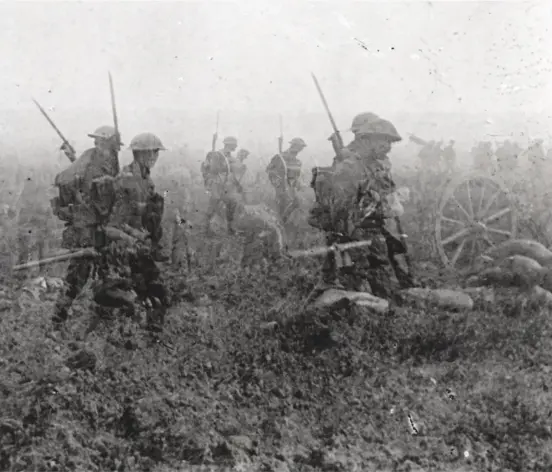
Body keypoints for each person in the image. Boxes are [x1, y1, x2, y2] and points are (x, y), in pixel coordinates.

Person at [309, 114, 407, 299]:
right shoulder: (350, 163)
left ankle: (381, 304)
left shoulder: (375, 163)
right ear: (368, 139)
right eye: (384, 141)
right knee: (351, 275)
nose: (388, 147)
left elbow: (384, 190)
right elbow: (341, 206)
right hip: (353, 230)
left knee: (379, 269)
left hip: (371, 227)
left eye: (390, 143)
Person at [91, 132, 170, 333]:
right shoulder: (127, 181)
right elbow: (112, 226)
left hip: (137, 245)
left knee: (158, 291)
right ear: (141, 154)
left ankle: (150, 334)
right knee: (125, 293)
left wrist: (145, 237)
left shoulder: (146, 180)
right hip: (120, 249)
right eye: (152, 153)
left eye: (156, 153)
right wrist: (134, 239)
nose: (155, 158)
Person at [51, 125, 121, 330]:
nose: (102, 147)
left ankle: (104, 319)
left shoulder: (112, 161)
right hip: (87, 228)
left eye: (107, 144)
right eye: (100, 143)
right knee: (77, 276)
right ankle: (57, 320)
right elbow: (63, 179)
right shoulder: (89, 157)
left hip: (104, 227)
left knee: (108, 272)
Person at [201, 136, 244, 234]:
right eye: (234, 145)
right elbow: (212, 170)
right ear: (229, 145)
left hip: (226, 186)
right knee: (213, 205)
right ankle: (205, 228)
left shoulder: (231, 157)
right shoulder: (217, 155)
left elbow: (232, 173)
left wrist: (238, 185)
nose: (236, 147)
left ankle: (230, 228)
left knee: (232, 203)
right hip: (216, 184)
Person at [266, 137, 306, 223]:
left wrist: (299, 183)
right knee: (281, 206)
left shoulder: (298, 161)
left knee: (296, 203)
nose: (301, 149)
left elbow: (296, 176)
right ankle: (278, 224)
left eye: (302, 147)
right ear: (294, 146)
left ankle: (284, 222)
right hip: (280, 187)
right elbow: (269, 170)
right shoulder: (280, 157)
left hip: (292, 187)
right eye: (300, 147)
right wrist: (277, 181)